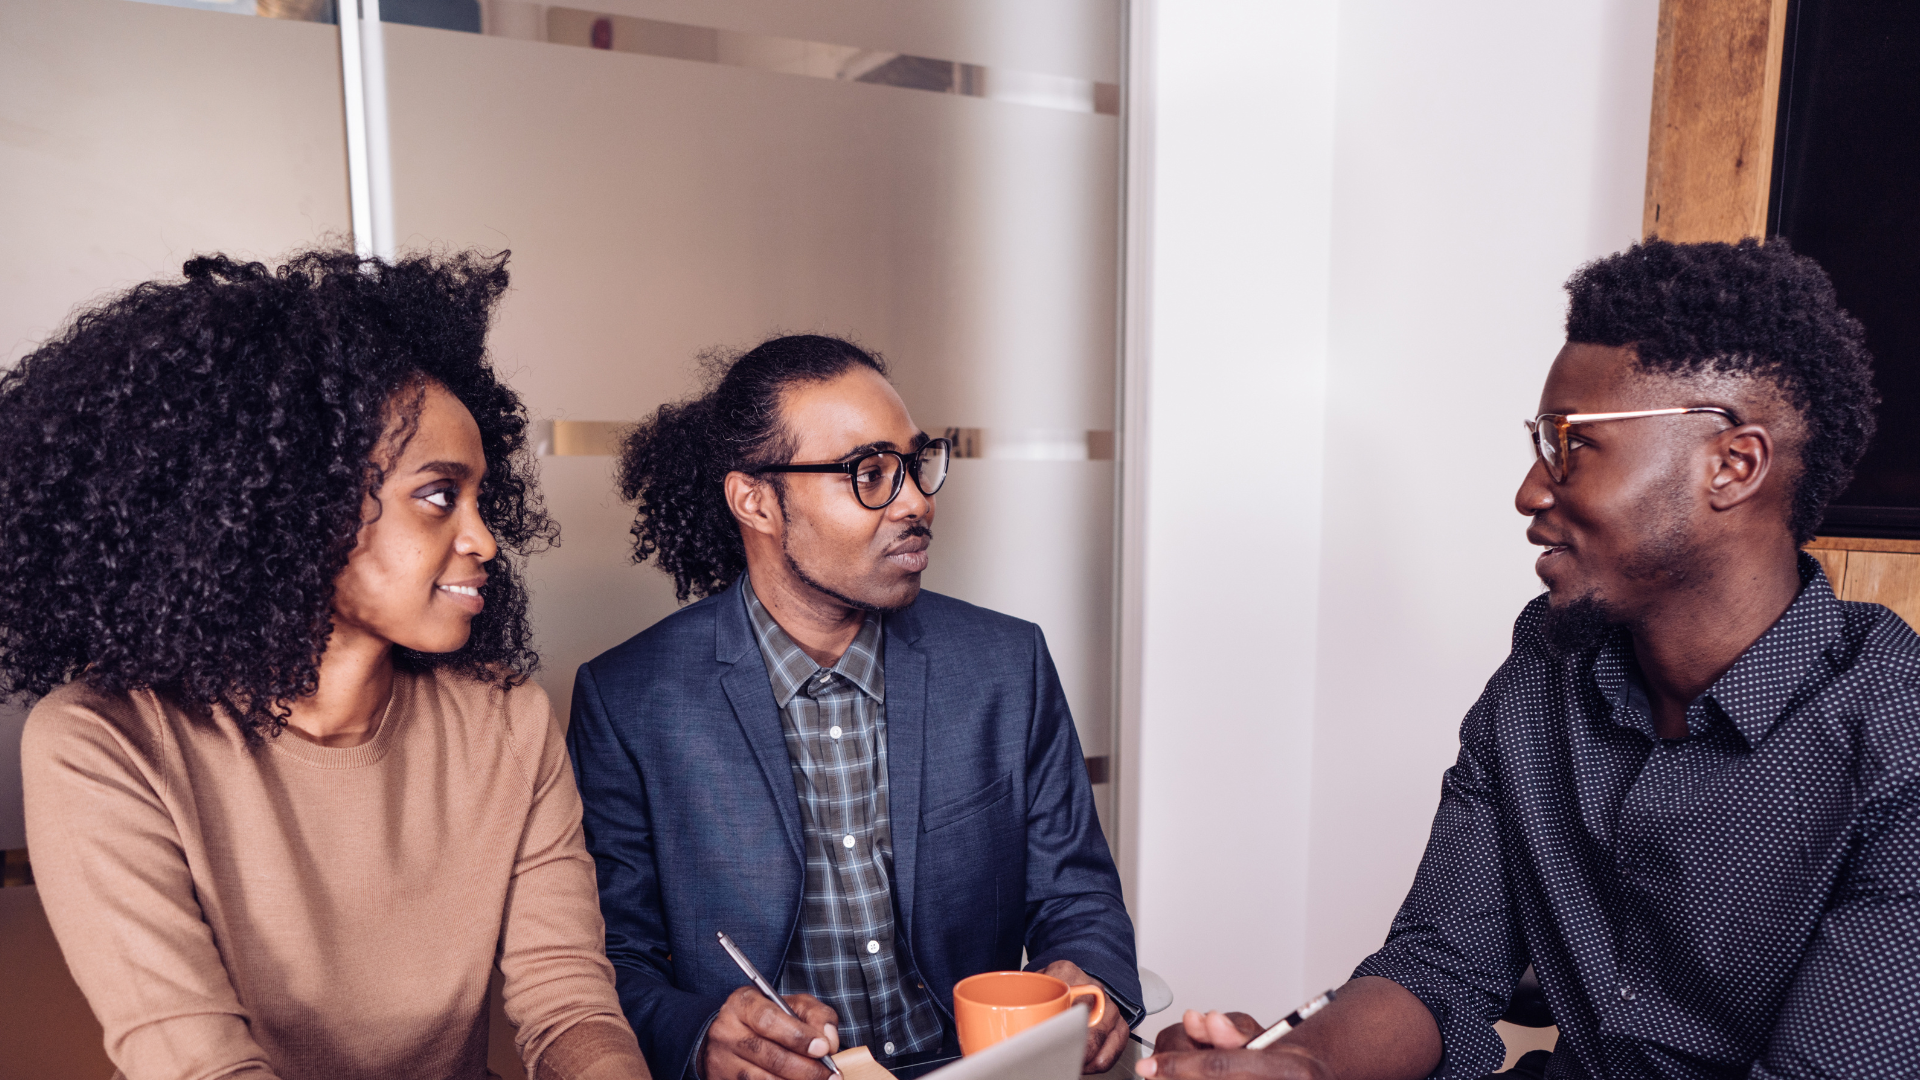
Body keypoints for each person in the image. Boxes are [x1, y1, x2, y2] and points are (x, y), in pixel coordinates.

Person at [1139, 239, 1912, 1080]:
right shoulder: (1546, 668)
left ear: (1732, 465)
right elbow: (1440, 969)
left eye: (1569, 444)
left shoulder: (1898, 749)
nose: (1530, 491)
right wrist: (1299, 1066)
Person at [6, 251, 650, 1080]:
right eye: (438, 495)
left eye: (483, 498)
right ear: (295, 503)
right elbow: (199, 1061)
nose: (485, 540)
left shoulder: (505, 718)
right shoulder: (103, 740)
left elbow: (568, 1006)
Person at [568, 335, 1141, 1080]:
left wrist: (1086, 979)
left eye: (916, 463)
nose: (916, 500)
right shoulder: (629, 699)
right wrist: (706, 1032)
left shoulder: (1005, 664)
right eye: (869, 473)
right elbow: (614, 959)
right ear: (755, 501)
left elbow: (1078, 893)